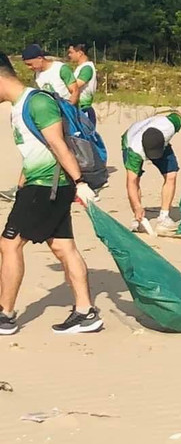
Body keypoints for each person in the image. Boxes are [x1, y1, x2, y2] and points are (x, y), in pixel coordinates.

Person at [0, 53, 102, 336]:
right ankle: (85, 312)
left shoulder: (38, 102)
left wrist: (80, 182)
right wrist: (22, 181)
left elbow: (58, 145)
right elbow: (36, 148)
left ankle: (5, 315)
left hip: (48, 186)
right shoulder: (19, 106)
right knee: (63, 247)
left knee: (9, 245)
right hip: (41, 183)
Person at [122, 109, 181, 234]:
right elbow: (131, 182)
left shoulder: (167, 126)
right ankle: (138, 219)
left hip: (158, 140)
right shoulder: (134, 151)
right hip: (130, 139)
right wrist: (138, 206)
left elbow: (179, 116)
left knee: (171, 174)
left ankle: (164, 217)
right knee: (136, 178)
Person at [65, 43, 99, 127]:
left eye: (71, 52)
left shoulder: (87, 68)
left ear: (80, 53)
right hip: (78, 109)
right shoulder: (81, 68)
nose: (69, 55)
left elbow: (75, 86)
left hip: (83, 109)